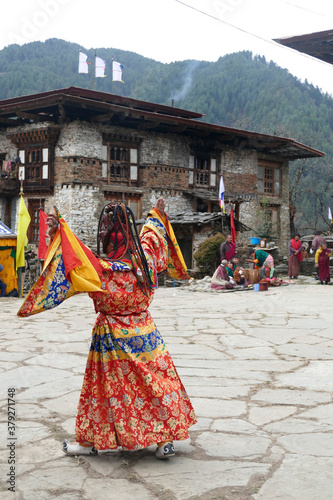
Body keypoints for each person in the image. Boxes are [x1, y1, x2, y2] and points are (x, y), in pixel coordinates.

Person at [18, 199, 196, 460]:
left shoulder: (99, 269)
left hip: (111, 336)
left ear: (108, 238)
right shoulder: (144, 260)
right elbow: (153, 234)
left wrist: (59, 230)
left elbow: (72, 254)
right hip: (146, 333)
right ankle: (163, 441)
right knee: (154, 383)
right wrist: (157, 212)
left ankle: (89, 442)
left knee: (101, 390)